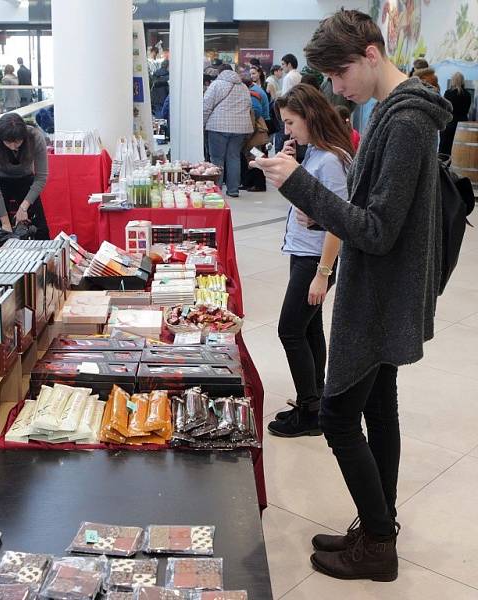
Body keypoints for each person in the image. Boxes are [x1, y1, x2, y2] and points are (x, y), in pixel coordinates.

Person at [253, 9, 450, 582]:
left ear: (370, 53)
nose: (335, 90)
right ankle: (377, 521)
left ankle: (379, 542)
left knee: (339, 417)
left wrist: (299, 184)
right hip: (386, 291)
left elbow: (376, 228)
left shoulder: (407, 122)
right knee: (378, 406)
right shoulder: (392, 112)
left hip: (382, 295)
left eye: (338, 76)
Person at [267, 83, 352, 438]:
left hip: (315, 258)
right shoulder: (314, 153)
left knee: (289, 329)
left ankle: (310, 409)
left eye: (290, 123)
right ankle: (314, 405)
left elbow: (340, 219)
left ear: (308, 117)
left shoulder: (330, 159)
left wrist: (323, 273)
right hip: (303, 251)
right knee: (308, 327)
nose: (288, 131)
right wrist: (289, 164)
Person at [0, 112, 50, 238]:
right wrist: (5, 223)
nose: (13, 147)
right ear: (0, 139)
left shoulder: (35, 138)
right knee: (2, 230)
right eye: (8, 142)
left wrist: (23, 207)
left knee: (40, 227)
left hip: (23, 177)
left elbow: (41, 178)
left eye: (17, 142)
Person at [202, 64, 253, 198]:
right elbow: (249, 105)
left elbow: (206, 106)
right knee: (234, 157)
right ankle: (233, 190)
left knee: (217, 159)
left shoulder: (216, 85)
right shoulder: (243, 87)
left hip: (218, 127)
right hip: (240, 128)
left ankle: (216, 189)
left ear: (220, 72)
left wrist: (202, 124)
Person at [240, 70, 270, 192]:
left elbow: (256, 112)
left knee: (256, 158)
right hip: (256, 133)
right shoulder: (253, 92)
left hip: (256, 134)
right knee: (252, 157)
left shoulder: (252, 94)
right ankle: (249, 183)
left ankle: (259, 185)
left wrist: (249, 129)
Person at [440, 71, 471, 155]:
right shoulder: (468, 94)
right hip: (463, 124)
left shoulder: (448, 93)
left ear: (453, 80)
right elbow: (467, 110)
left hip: (449, 123)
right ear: (463, 81)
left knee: (444, 149)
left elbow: (445, 108)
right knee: (459, 150)